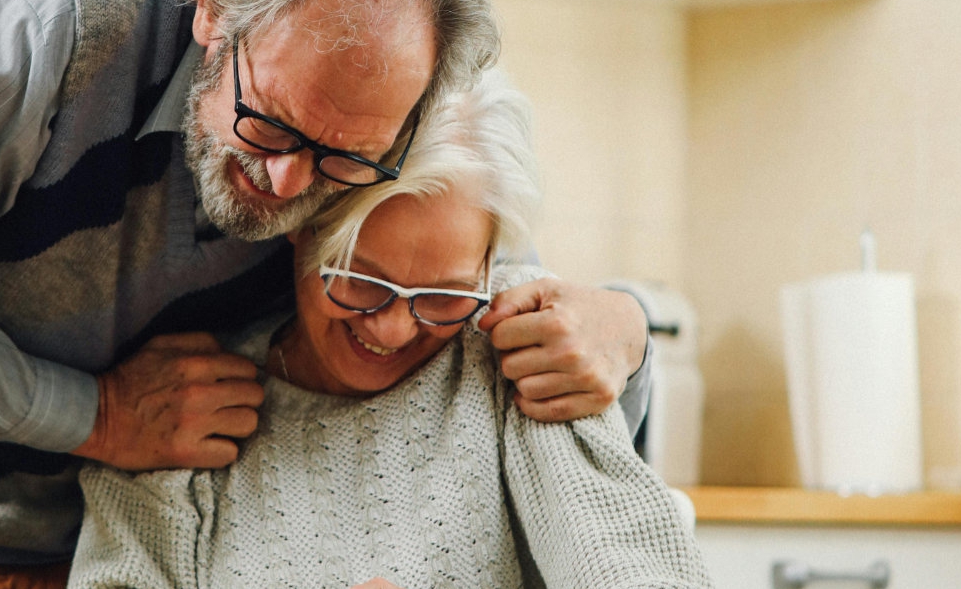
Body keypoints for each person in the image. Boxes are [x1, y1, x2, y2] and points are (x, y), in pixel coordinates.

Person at [0, 0, 655, 585]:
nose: (291, 188)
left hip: (61, 545)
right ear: (212, 11)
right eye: (270, 126)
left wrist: (627, 324)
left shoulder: (398, 84)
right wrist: (99, 416)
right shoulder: (49, 26)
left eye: (345, 160)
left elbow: (460, 253)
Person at [67, 72, 710, 588]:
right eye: (359, 281)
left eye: (443, 296)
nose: (397, 328)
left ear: (490, 266)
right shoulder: (185, 416)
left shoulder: (514, 353)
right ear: (299, 222)